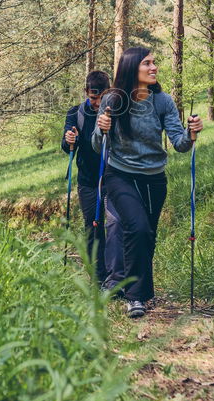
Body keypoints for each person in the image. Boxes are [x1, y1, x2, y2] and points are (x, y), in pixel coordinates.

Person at [92, 47, 204, 319]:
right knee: (137, 229)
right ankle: (135, 298)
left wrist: (191, 133)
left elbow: (179, 144)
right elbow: (98, 146)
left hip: (154, 178)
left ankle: (141, 289)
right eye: (147, 63)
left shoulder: (162, 101)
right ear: (132, 68)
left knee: (148, 237)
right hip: (120, 176)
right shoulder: (112, 100)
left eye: (154, 63)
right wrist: (101, 128)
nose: (154, 68)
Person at [61, 70, 124, 290]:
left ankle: (115, 277)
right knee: (93, 228)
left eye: (100, 97)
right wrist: (70, 139)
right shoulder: (75, 113)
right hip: (88, 181)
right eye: (92, 97)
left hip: (113, 178)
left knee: (114, 225)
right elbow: (66, 145)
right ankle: (98, 276)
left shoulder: (117, 111)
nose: (96, 103)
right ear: (86, 92)